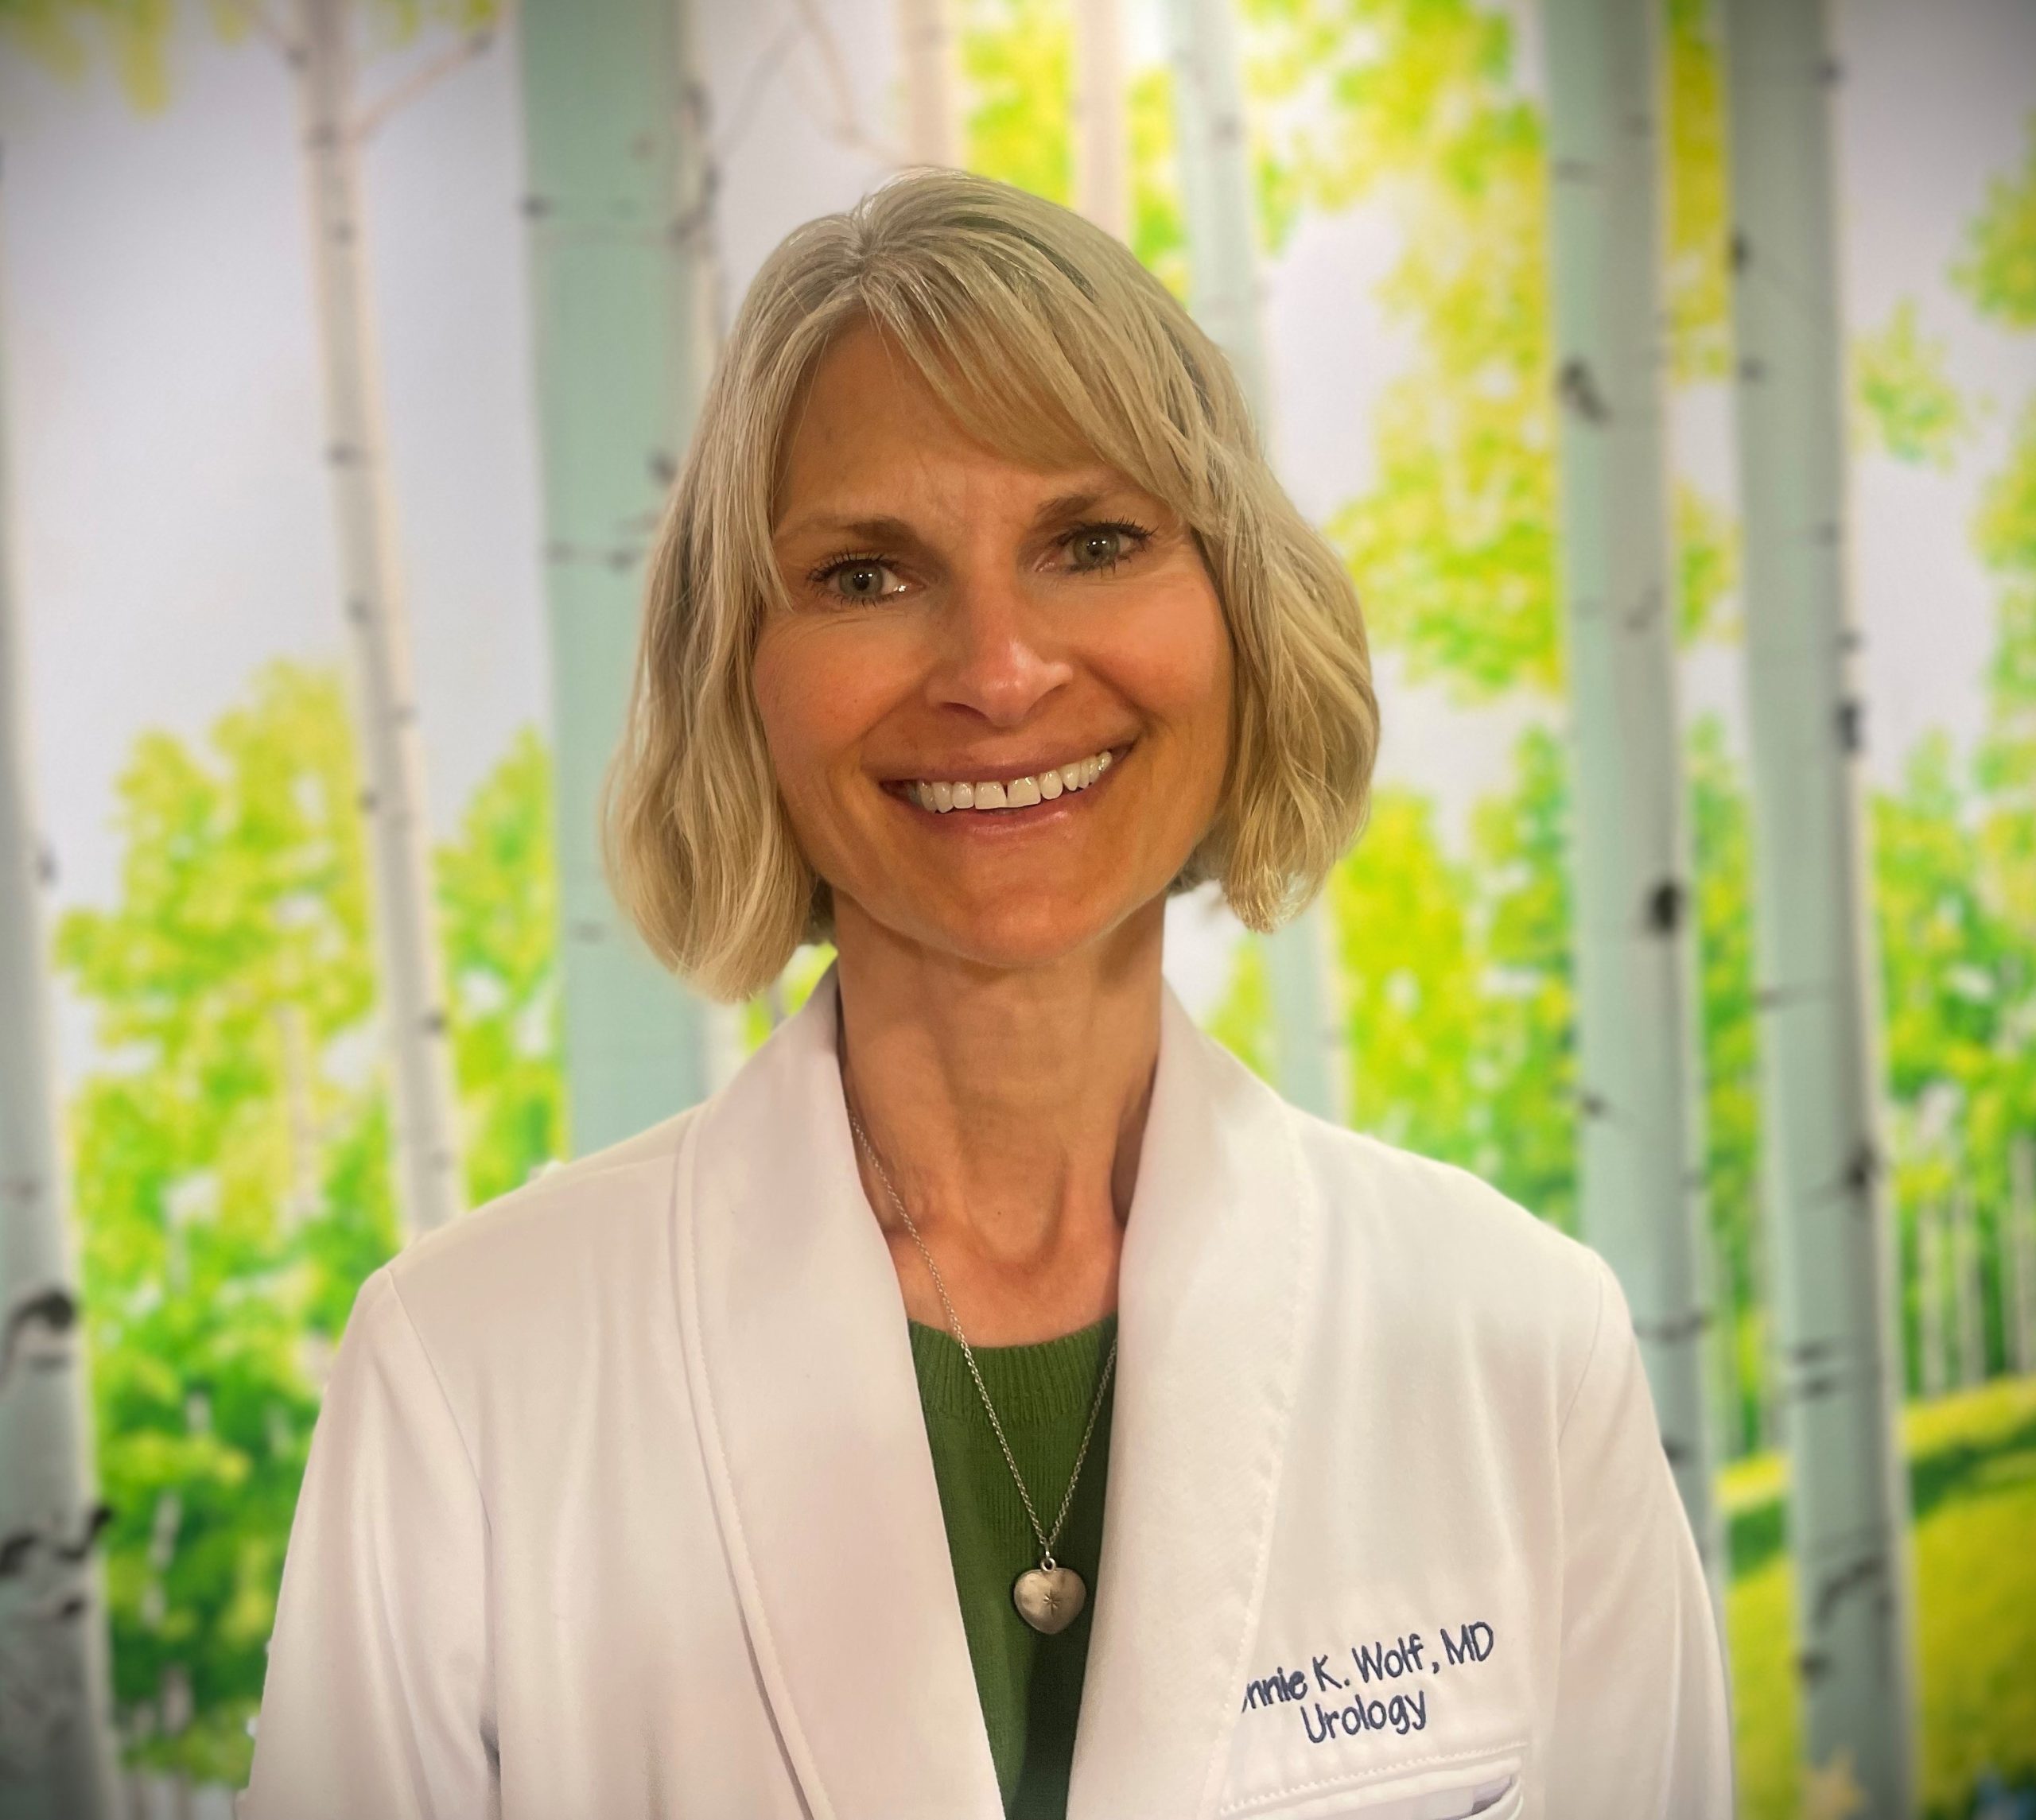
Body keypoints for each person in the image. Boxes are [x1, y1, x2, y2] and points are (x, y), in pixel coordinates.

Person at [240, 168, 1732, 1820]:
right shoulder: (466, 1376)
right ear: (736, 673)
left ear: (1238, 618)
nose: (1000, 670)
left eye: (1093, 542)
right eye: (867, 575)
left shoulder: (1517, 1339)